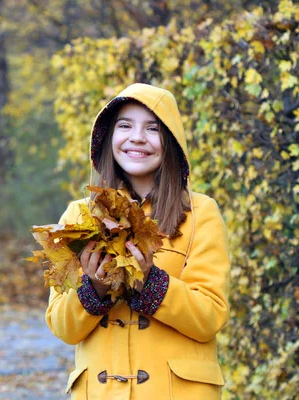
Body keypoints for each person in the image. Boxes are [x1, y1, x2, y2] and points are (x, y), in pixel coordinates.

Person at [46, 83, 230, 399]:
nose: (137, 137)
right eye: (125, 126)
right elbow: (63, 327)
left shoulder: (201, 213)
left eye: (153, 128)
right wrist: (96, 289)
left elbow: (210, 316)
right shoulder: (79, 216)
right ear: (108, 138)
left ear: (170, 141)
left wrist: (151, 282)